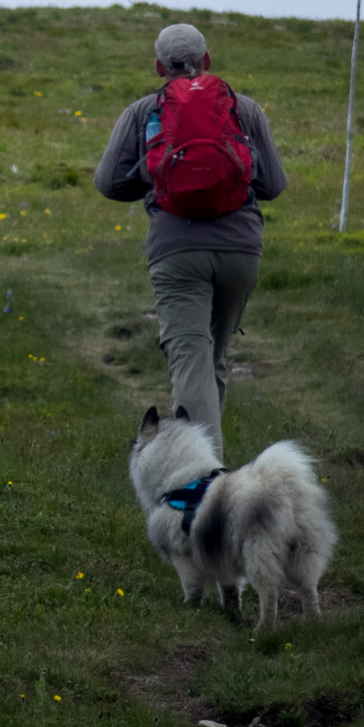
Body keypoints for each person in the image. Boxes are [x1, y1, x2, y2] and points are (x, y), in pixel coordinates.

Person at [93, 23, 287, 451]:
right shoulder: (245, 108)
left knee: (189, 360)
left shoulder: (143, 112)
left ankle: (203, 482)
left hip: (176, 251)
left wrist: (153, 181)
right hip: (240, 251)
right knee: (211, 358)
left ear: (159, 66)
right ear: (208, 60)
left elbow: (107, 183)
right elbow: (273, 185)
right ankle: (212, 471)